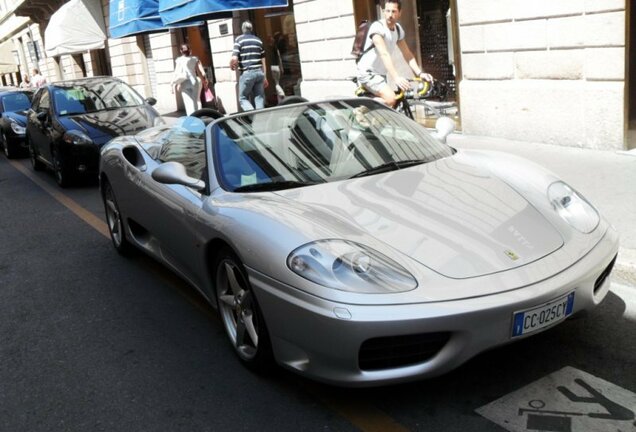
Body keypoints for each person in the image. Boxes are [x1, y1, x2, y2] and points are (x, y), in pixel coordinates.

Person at [356, 0, 433, 108]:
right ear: (383, 11)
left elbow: (408, 54)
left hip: (380, 74)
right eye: (387, 11)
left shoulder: (397, 29)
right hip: (367, 72)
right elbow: (384, 54)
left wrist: (420, 73)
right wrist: (396, 78)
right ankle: (362, 107)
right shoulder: (377, 28)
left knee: (387, 110)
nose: (390, 15)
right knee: (391, 99)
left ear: (399, 13)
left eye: (394, 11)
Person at [230, 21, 268, 111]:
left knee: (242, 98)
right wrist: (265, 76)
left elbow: (234, 58)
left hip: (247, 73)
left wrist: (231, 64)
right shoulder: (258, 40)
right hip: (259, 73)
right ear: (251, 29)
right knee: (259, 98)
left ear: (243, 29)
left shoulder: (239, 40)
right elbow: (263, 61)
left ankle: (253, 116)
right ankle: (260, 119)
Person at [171, 43, 209, 116]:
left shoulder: (179, 60)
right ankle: (198, 116)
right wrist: (204, 81)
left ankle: (191, 117)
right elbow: (199, 71)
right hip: (194, 81)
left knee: (188, 102)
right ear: (189, 50)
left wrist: (173, 84)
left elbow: (177, 72)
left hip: (184, 82)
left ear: (181, 51)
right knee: (195, 101)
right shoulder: (194, 59)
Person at [269, 32, 285, 103]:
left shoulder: (268, 48)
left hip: (272, 67)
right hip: (276, 67)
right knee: (278, 83)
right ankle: (281, 94)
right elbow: (279, 58)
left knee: (276, 83)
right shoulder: (275, 47)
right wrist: (281, 67)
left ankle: (279, 100)